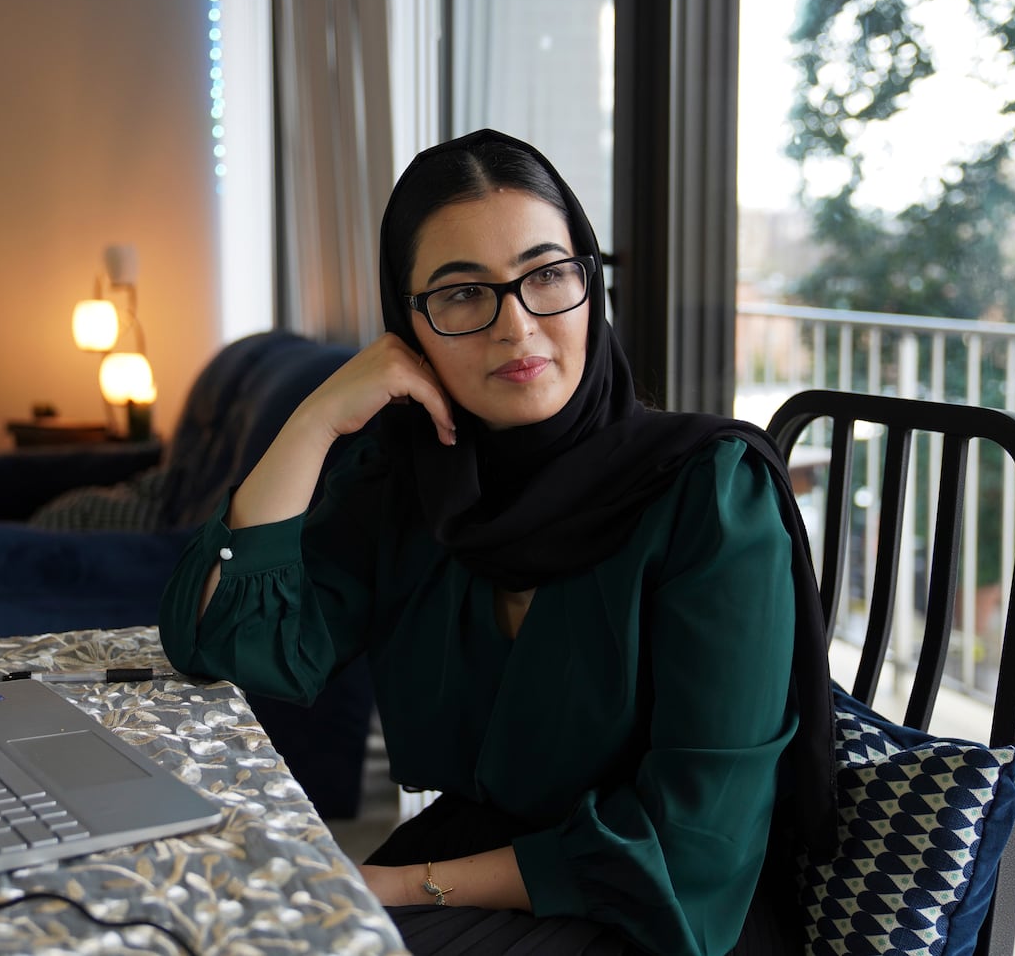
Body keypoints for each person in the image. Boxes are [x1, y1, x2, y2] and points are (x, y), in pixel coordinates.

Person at [158, 130, 834, 956]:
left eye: (548, 275)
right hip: (478, 865)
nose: (516, 325)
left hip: (659, 913)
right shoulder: (411, 479)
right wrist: (316, 419)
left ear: (589, 284)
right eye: (461, 293)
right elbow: (225, 641)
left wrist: (407, 884)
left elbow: (696, 842)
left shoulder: (711, 493)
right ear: (407, 324)